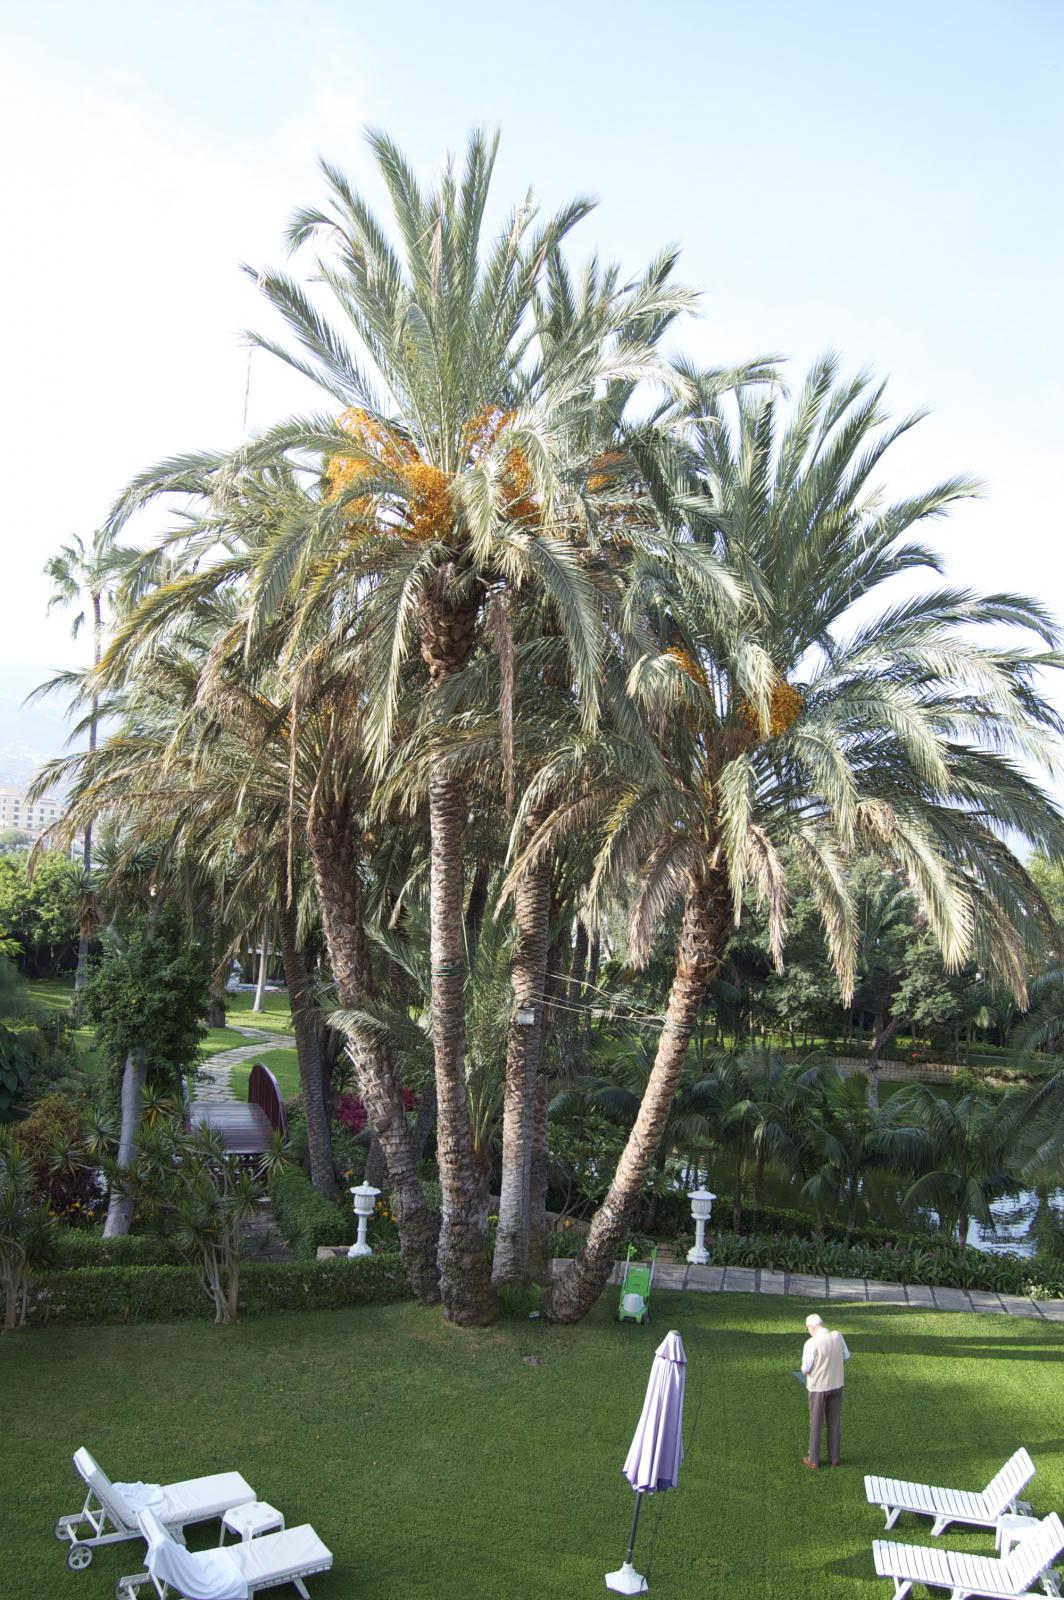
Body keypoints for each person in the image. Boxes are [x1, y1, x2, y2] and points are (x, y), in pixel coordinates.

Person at [799, 1313, 849, 1468]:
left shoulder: (811, 1343)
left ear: (812, 1327)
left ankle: (813, 1459)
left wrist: (804, 1368)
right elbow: (846, 1356)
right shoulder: (838, 1336)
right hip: (837, 1384)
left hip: (818, 1388)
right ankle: (835, 1458)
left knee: (816, 1423)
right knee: (834, 1421)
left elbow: (806, 1368)